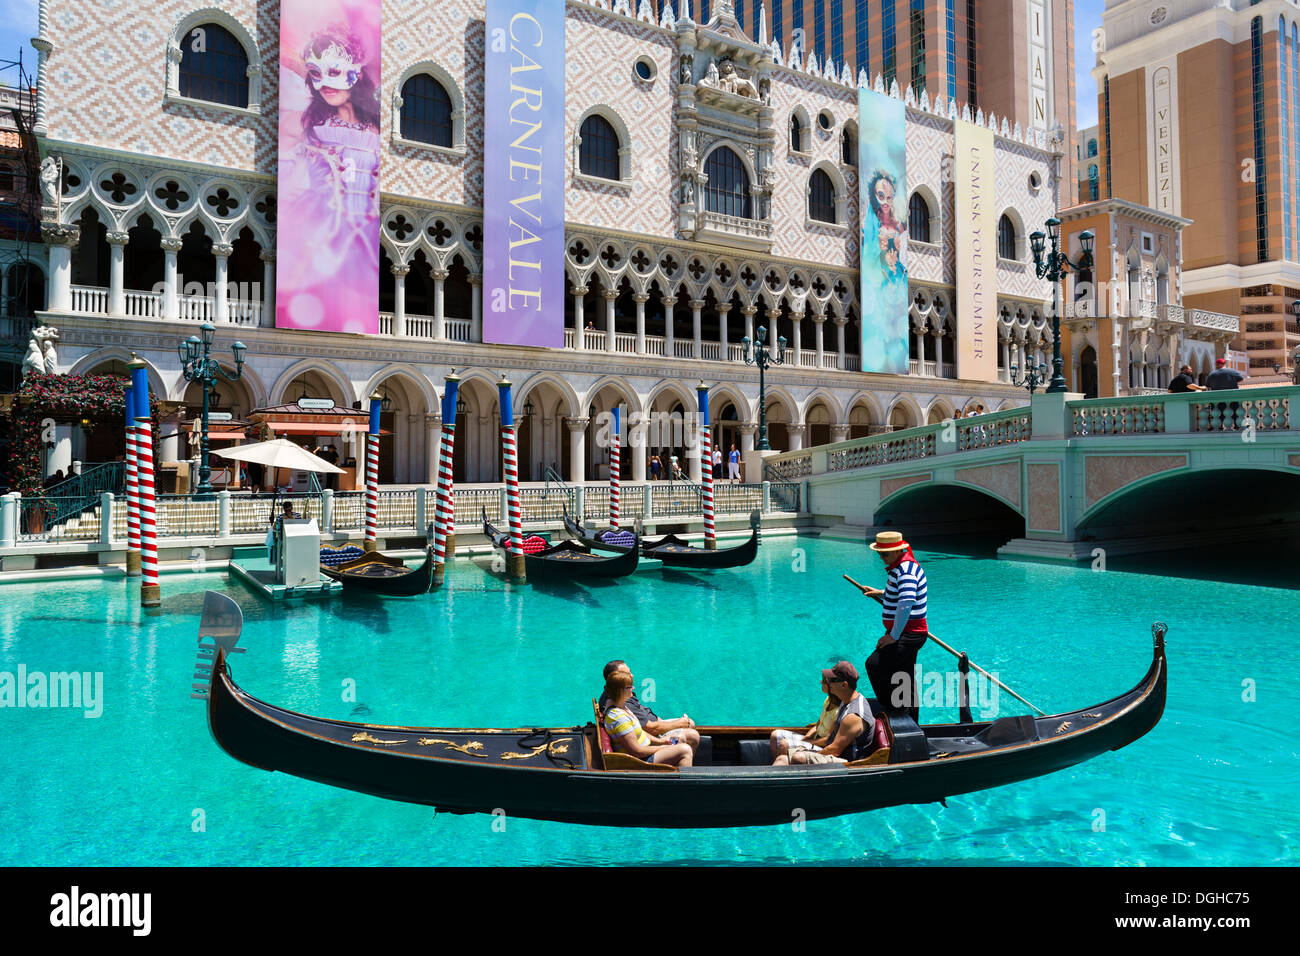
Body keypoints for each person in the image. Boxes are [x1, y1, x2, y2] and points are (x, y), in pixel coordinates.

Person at [854, 532, 929, 721]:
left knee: (874, 665)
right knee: (905, 676)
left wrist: (893, 636)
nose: (881, 557)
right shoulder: (902, 567)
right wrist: (880, 592)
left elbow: (906, 602)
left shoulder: (906, 570)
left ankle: (894, 710)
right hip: (906, 632)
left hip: (907, 633)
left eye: (884, 554)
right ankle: (909, 717)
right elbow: (900, 593)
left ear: (897, 551)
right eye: (879, 553)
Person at [773, 662, 876, 766]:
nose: (827, 683)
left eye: (831, 680)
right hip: (833, 750)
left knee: (797, 757)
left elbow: (835, 750)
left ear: (844, 685)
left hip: (846, 761)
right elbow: (832, 732)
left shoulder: (853, 716)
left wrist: (809, 753)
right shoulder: (846, 699)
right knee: (782, 759)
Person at [597, 660, 700, 752]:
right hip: (651, 736)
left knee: (689, 724)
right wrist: (678, 724)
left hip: (652, 732)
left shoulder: (621, 698)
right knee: (692, 735)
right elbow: (649, 730)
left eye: (630, 672)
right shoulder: (620, 703)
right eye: (627, 674)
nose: (632, 676)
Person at [769, 675, 839, 760]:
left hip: (822, 746)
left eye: (824, 681)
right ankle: (779, 762)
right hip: (814, 739)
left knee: (784, 744)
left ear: (831, 687)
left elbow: (827, 740)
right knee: (775, 735)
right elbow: (819, 724)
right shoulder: (828, 700)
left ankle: (786, 766)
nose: (821, 682)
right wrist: (806, 737)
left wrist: (808, 742)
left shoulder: (838, 711)